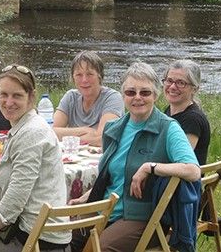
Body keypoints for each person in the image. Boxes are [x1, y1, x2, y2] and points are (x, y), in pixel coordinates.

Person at [69, 62, 200, 251]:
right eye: (131, 92)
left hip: (143, 217)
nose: (137, 98)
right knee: (61, 237)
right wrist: (85, 198)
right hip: (105, 209)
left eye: (145, 93)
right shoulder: (113, 128)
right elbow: (112, 176)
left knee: (99, 248)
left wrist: (150, 167)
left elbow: (193, 170)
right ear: (123, 96)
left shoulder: (168, 128)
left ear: (156, 95)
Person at [0, 64, 71, 251]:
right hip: (38, 233)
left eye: (17, 95)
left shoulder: (31, 133)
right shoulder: (27, 126)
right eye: (4, 95)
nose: (9, 102)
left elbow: (16, 198)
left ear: (31, 97)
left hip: (37, 241)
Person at [53, 51, 124, 147]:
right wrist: (85, 130)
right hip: (75, 157)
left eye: (90, 74)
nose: (84, 80)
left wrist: (67, 137)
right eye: (79, 75)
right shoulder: (70, 97)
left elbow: (102, 138)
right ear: (73, 78)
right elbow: (51, 132)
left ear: (100, 76)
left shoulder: (112, 98)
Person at [162, 59, 211, 165]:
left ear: (194, 89)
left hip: (180, 180)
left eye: (181, 83)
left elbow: (181, 160)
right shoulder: (169, 111)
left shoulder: (192, 119)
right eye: (169, 80)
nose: (172, 87)